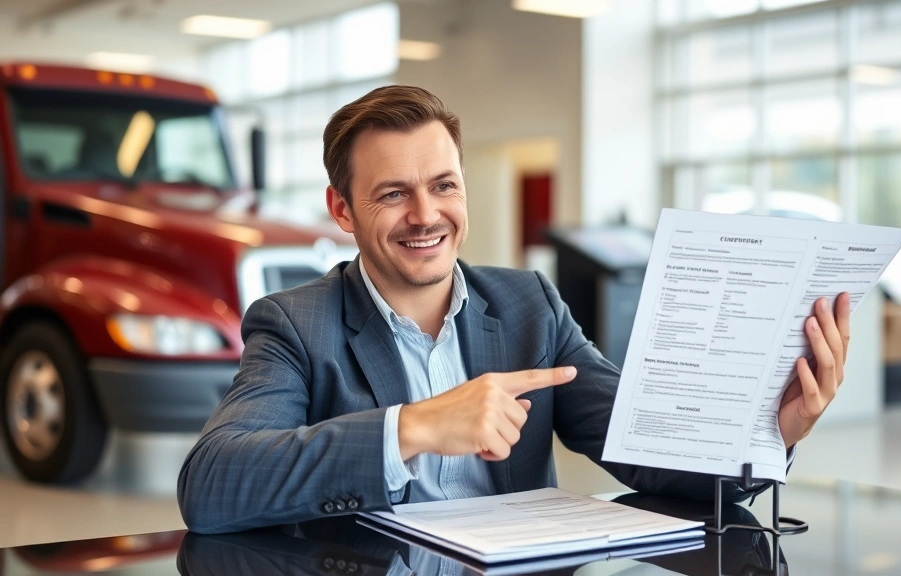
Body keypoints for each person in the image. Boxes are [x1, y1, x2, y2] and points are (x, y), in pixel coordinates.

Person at [177, 86, 851, 534]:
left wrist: (770, 434)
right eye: (392, 195)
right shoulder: (297, 324)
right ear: (342, 209)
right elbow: (211, 487)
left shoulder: (529, 306)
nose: (426, 216)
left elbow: (650, 447)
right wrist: (410, 429)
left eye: (444, 185)